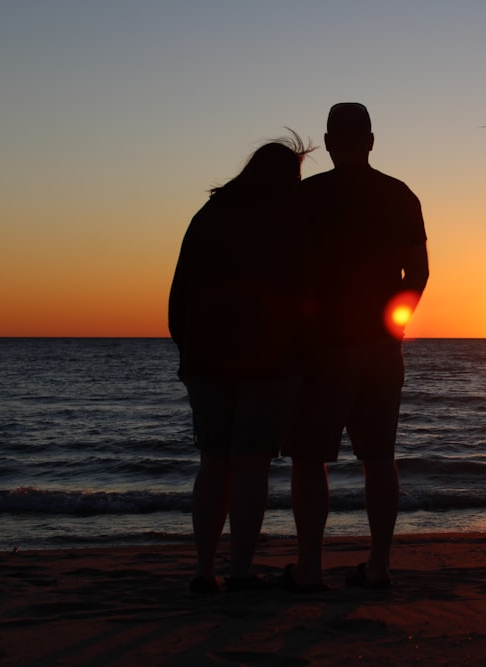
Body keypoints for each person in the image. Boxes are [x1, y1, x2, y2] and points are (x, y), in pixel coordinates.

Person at [281, 103, 429, 592]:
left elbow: (290, 275)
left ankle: (308, 567)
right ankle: (379, 565)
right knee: (379, 457)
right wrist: (394, 326)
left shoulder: (305, 198)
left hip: (324, 346)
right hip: (381, 349)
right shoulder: (398, 195)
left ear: (328, 142)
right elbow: (420, 272)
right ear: (369, 140)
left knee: (309, 457)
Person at [169, 131, 315, 594]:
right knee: (251, 464)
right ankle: (240, 570)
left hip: (206, 357)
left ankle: (204, 569)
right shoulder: (291, 218)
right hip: (272, 361)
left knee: (214, 463)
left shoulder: (209, 215)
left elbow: (180, 295)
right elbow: (307, 295)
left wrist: (186, 351)